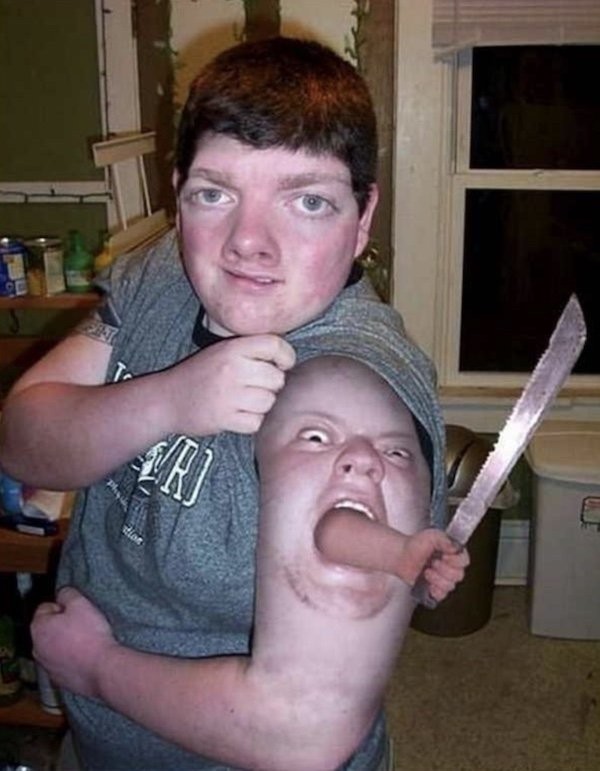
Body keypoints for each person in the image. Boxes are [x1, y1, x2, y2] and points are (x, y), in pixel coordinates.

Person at [0, 36, 449, 770]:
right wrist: (167, 401)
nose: (248, 244)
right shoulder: (168, 269)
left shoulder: (347, 394)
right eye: (215, 193)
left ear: (363, 215)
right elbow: (21, 439)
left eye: (308, 201)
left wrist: (95, 667)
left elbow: (303, 731)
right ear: (180, 192)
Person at [33, 355, 467, 771]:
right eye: (317, 438)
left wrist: (94, 665)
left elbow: (335, 533)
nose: (367, 458)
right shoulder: (146, 309)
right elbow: (21, 440)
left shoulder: (342, 375)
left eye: (395, 453)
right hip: (102, 747)